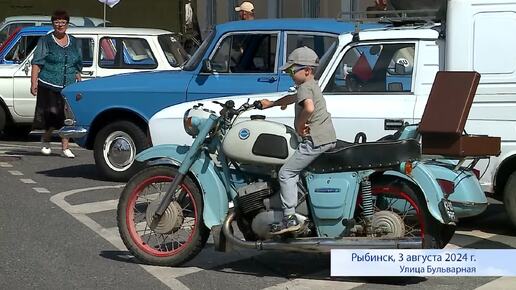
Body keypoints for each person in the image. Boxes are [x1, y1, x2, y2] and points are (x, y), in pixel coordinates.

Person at [259, 47, 337, 234]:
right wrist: (272, 104)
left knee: (286, 173)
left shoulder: (304, 87)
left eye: (292, 70)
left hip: (315, 140)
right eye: (288, 71)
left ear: (307, 70)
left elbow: (308, 108)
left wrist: (299, 125)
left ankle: (289, 217)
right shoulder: (311, 85)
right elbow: (294, 98)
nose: (289, 74)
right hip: (326, 137)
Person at [30, 10, 82, 158]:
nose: (60, 25)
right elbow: (37, 62)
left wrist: (79, 78)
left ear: (67, 24)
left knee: (67, 115)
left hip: (69, 85)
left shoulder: (73, 41)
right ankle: (46, 139)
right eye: (57, 22)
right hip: (49, 83)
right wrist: (34, 81)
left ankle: (65, 147)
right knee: (53, 114)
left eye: (63, 22)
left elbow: (77, 62)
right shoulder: (46, 40)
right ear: (53, 24)